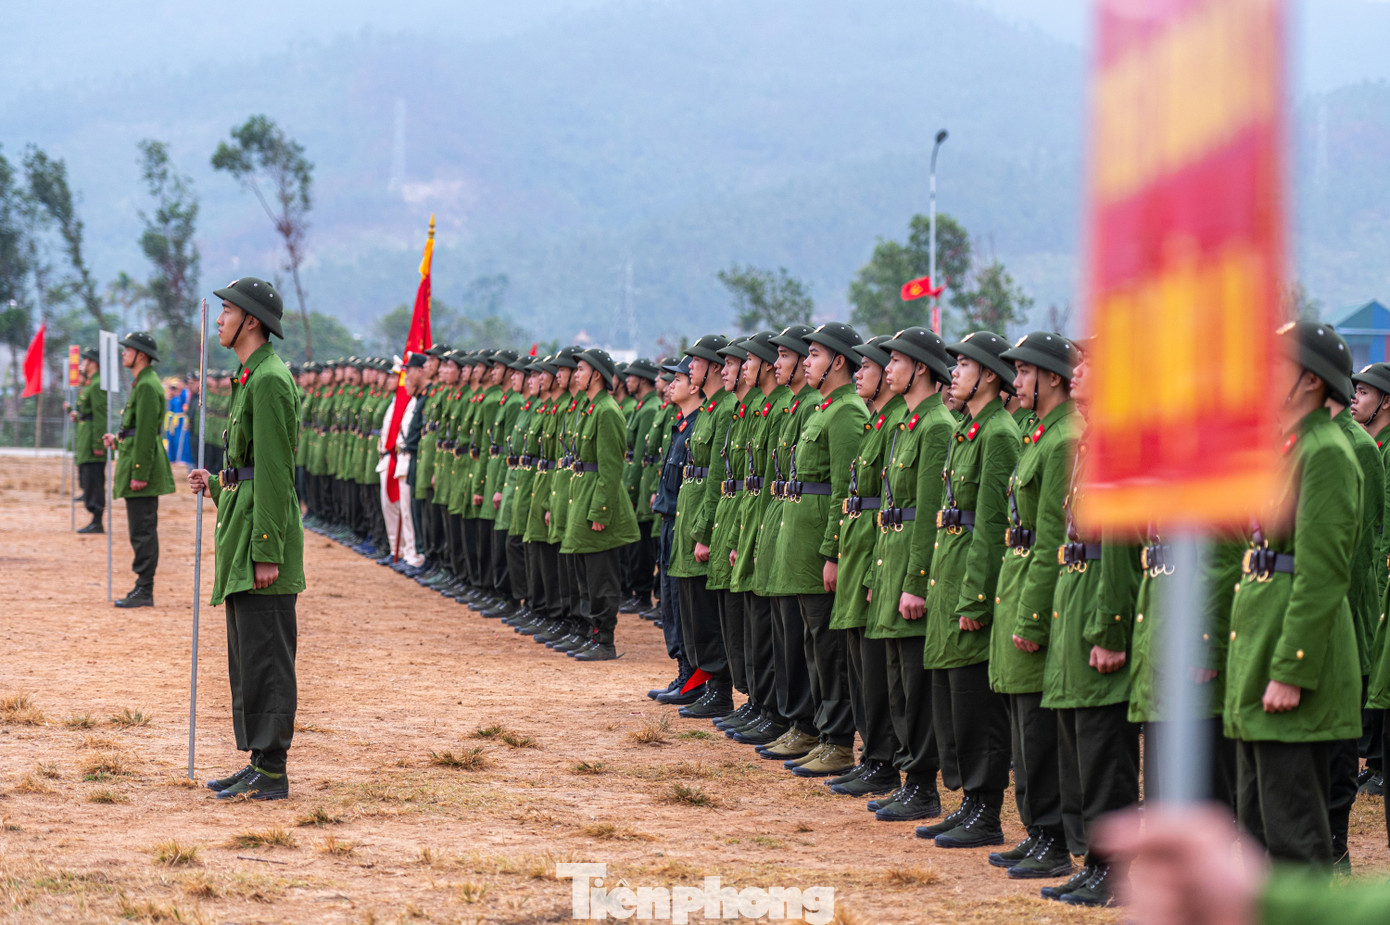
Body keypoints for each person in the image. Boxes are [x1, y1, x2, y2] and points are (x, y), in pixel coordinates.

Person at [1224, 320, 1362, 864]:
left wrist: (1292, 668)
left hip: (1291, 659)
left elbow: (1323, 574)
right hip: (1260, 645)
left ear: (1308, 380)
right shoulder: (1288, 446)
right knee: (1257, 827)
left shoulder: (1324, 451)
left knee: (1292, 834)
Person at [190, 276, 305, 801]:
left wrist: (266, 550)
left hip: (261, 543)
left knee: (268, 658)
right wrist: (216, 484)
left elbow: (278, 475)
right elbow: (251, 470)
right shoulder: (249, 377)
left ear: (250, 320)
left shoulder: (269, 381)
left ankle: (273, 770)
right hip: (243, 532)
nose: (218, 319)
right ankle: (260, 760)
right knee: (249, 656)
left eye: (226, 311)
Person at [1096, 806, 1390, 925]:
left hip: (1291, 715)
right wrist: (1249, 897)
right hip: (1250, 710)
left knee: (1289, 823)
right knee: (1260, 817)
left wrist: (1257, 901)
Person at [560, 348, 641, 660]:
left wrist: (600, 511)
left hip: (598, 498)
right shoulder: (591, 408)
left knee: (600, 577)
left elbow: (610, 468)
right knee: (585, 573)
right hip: (584, 493)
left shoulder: (607, 410)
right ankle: (591, 634)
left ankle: (604, 639)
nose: (575, 374)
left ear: (596, 374)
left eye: (580, 369)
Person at [103, 331, 175, 608]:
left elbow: (146, 434)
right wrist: (118, 440)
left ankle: (144, 588)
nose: (123, 353)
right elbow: (135, 431)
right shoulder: (142, 382)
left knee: (142, 529)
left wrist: (139, 473)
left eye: (128, 350)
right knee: (140, 528)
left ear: (141, 355)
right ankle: (143, 586)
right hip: (137, 460)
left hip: (142, 467)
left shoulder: (146, 385)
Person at [71, 346, 108, 534]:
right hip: (85, 440)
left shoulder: (97, 384)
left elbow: (100, 417)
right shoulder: (91, 383)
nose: (83, 363)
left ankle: (97, 520)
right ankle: (94, 518)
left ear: (93, 362)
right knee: (88, 478)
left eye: (85, 360)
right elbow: (87, 414)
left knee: (94, 481)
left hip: (93, 443)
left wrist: (98, 444)